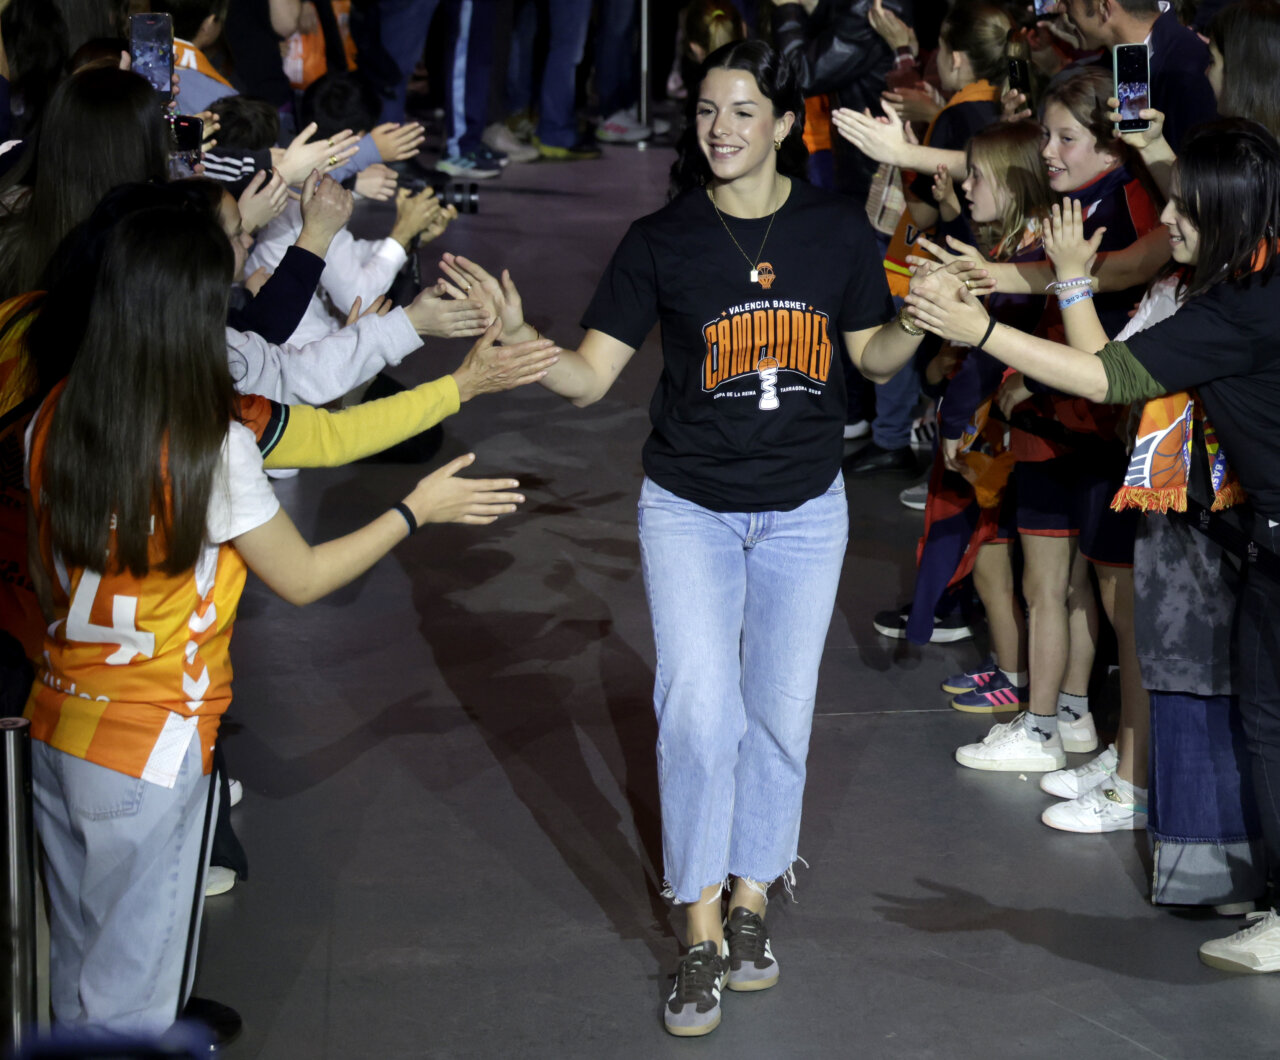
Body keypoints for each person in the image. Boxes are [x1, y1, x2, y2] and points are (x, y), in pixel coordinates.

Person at [437, 38, 930, 1036]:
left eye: (741, 111)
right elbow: (587, 377)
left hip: (802, 509)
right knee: (697, 714)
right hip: (689, 509)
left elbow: (872, 360)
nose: (719, 129)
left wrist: (922, 316)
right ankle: (698, 930)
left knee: (779, 717)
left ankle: (751, 904)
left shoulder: (834, 233)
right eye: (706, 111)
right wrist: (518, 341)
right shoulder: (660, 241)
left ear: (787, 125)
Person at [22, 202, 531, 1035]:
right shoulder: (207, 443)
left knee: (79, 969)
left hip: (59, 727)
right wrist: (415, 511)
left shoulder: (55, 418)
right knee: (135, 1006)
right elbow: (302, 576)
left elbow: (47, 582)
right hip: (153, 747)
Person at [904, 117, 1280, 970]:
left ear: (1225, 211)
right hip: (1261, 538)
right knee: (1264, 727)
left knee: (1268, 728)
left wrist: (985, 334)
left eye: (1182, 209)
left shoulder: (1244, 310)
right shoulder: (1244, 285)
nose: (1166, 222)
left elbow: (1111, 376)